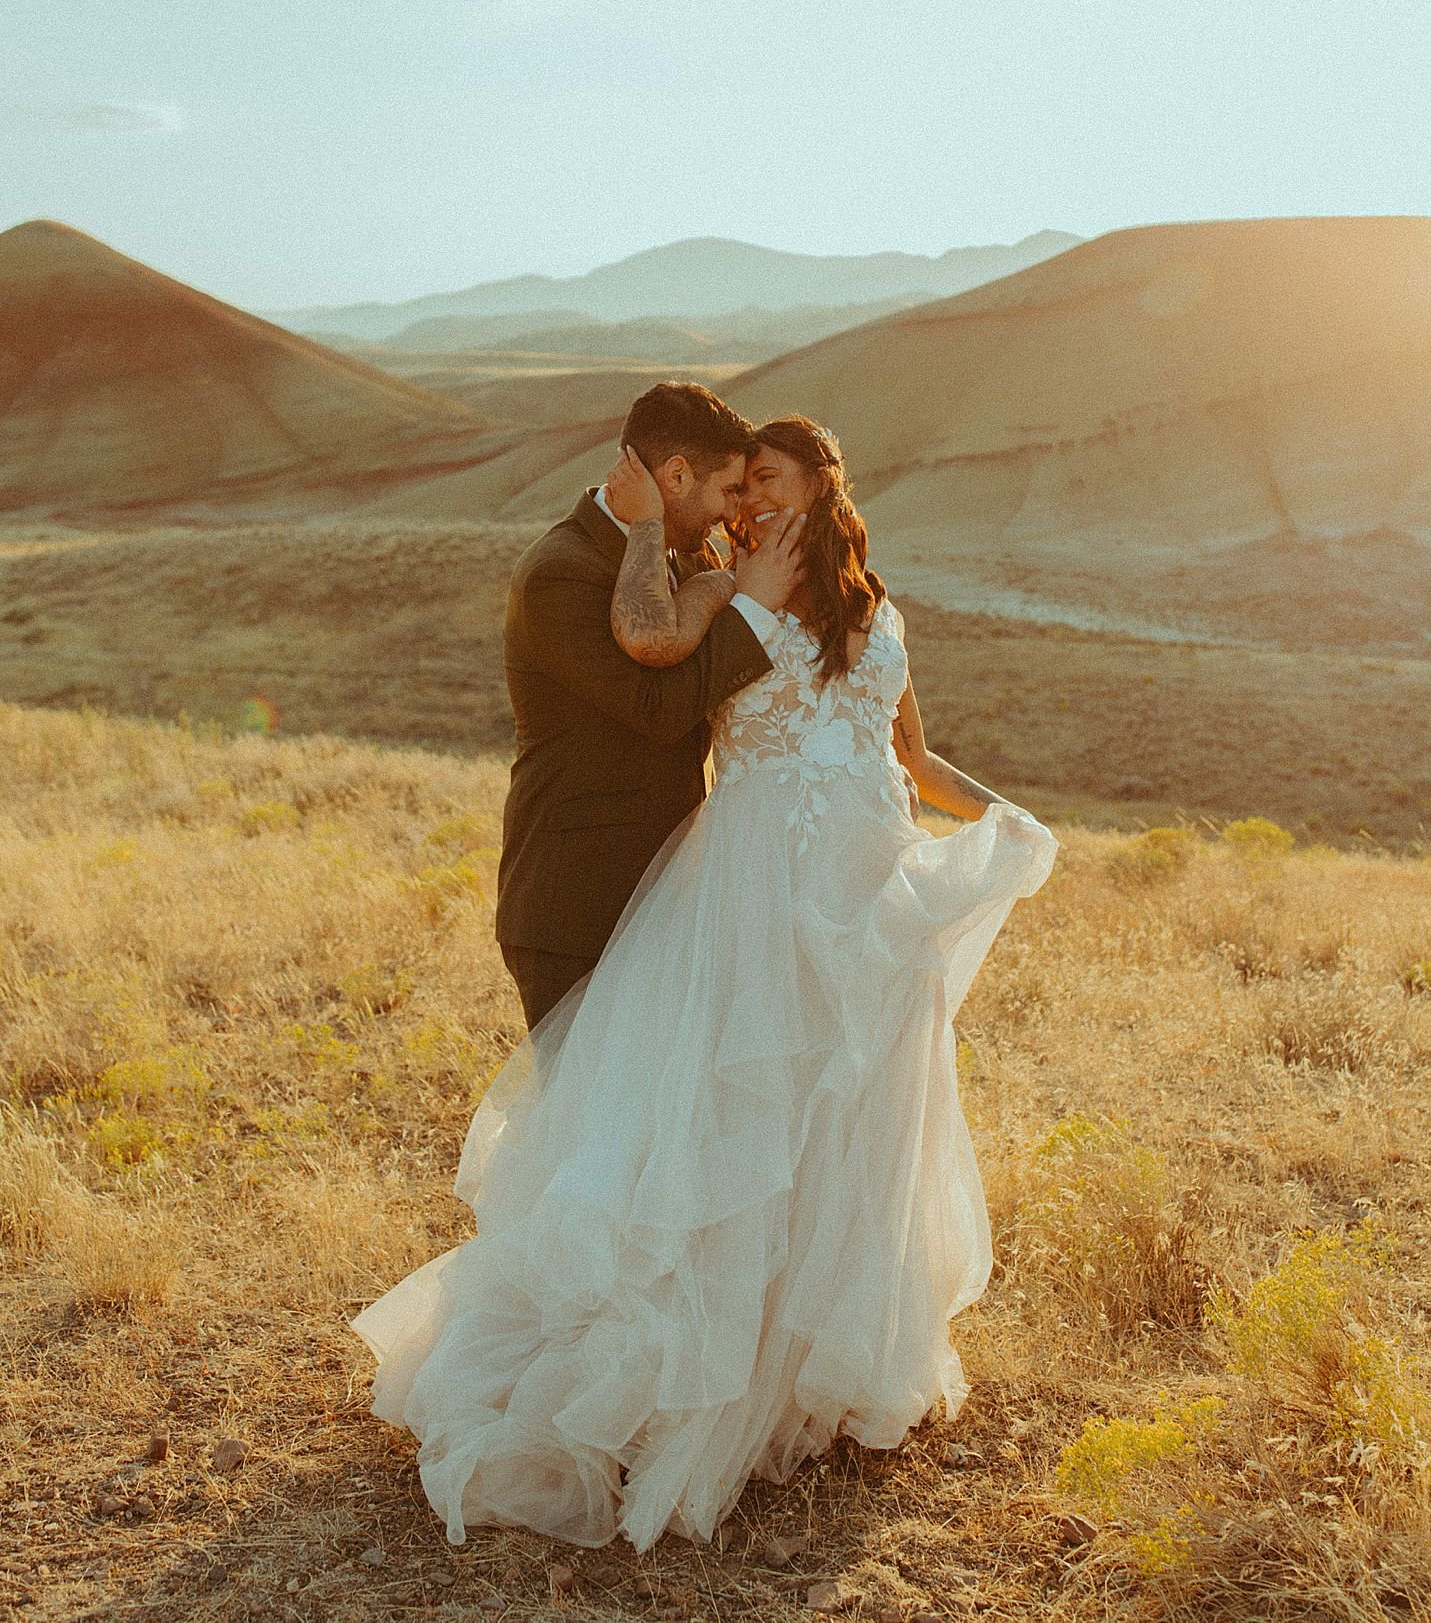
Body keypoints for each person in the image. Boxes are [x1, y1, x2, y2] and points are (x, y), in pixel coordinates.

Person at [353, 414, 1056, 1553]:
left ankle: (811, 1371)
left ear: (818, 488)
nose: (743, 506)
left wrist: (1010, 818)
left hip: (865, 901)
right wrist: (693, 568)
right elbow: (649, 656)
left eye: (763, 483)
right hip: (750, 897)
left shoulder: (882, 615)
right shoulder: (714, 592)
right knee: (736, 1127)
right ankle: (695, 1384)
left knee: (850, 1126)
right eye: (733, 489)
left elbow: (913, 761)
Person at [490, 381, 805, 1030]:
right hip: (577, 906)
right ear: (677, 475)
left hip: (665, 900)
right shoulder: (562, 572)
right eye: (726, 490)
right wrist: (752, 607)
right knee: (583, 1126)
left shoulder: (683, 555)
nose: (730, 512)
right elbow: (658, 708)